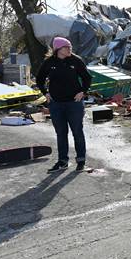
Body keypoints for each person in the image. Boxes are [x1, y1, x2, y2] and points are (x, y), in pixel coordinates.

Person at [36, 37, 93, 172]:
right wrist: (46, 93)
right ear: (58, 49)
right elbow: (40, 78)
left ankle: (81, 160)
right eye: (66, 47)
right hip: (56, 104)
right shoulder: (49, 63)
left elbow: (87, 78)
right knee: (61, 133)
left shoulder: (75, 60)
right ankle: (62, 161)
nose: (69, 49)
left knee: (77, 132)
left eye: (70, 47)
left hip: (74, 104)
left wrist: (82, 92)